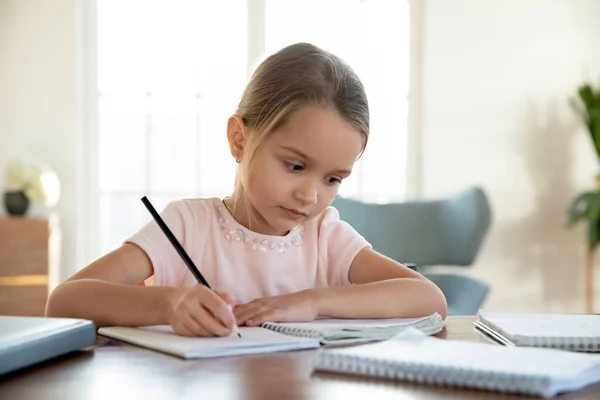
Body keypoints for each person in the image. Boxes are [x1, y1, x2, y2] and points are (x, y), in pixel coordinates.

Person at [46, 43, 447, 337]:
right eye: (295, 166)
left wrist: (311, 302)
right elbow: (63, 302)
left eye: (332, 179)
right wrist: (167, 304)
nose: (311, 196)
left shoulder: (324, 236)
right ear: (239, 140)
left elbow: (429, 299)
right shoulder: (187, 225)